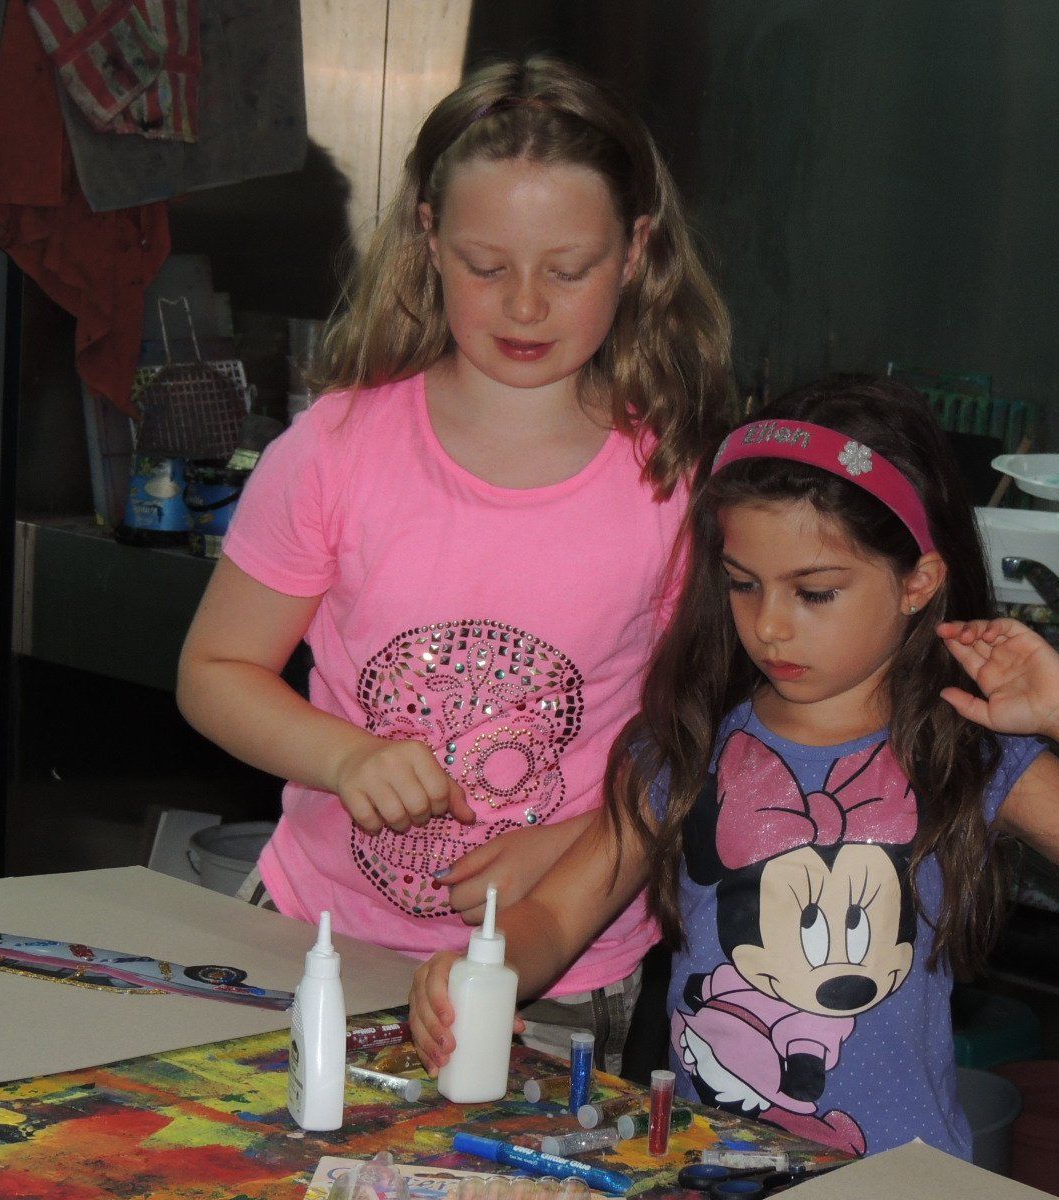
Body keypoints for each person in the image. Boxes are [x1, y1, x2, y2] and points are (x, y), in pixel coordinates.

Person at [409, 376, 1059, 1157]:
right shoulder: (687, 748)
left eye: (816, 592)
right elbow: (556, 917)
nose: (770, 626)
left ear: (918, 583)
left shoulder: (963, 755)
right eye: (743, 585)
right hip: (716, 1167)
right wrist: (481, 970)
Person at [177, 56, 733, 1073]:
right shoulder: (335, 450)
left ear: (636, 252)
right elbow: (214, 673)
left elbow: (693, 737)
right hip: (314, 938)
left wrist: (573, 845)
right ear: (429, 240)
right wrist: (344, 758)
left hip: (562, 975)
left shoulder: (674, 485)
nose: (524, 305)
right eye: (485, 265)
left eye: (567, 270)